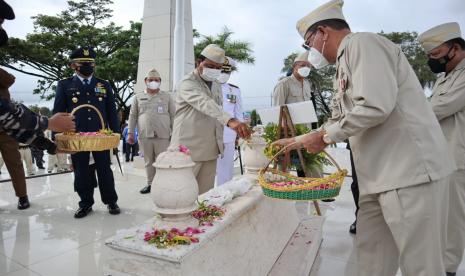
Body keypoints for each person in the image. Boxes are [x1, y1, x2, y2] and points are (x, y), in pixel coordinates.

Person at [274, 0, 455, 275]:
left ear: (323, 32)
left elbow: (374, 106)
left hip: (407, 172)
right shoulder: (344, 64)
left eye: (308, 42)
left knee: (421, 265)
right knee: (372, 257)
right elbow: (338, 117)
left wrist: (323, 138)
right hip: (377, 176)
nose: (309, 50)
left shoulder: (363, 45)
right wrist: (301, 140)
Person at [170, 44, 251, 194]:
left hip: (210, 148)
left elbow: (217, 113)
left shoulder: (216, 85)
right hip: (188, 148)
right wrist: (231, 121)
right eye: (209, 65)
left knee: (204, 194)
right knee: (181, 193)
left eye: (217, 67)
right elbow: (205, 103)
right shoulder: (187, 82)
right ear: (198, 62)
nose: (213, 70)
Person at [419, 22, 465, 276]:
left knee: (453, 218)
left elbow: (436, 110)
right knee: (439, 214)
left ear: (455, 48)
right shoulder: (445, 75)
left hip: (459, 157)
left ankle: (447, 269)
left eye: (434, 54)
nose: (431, 60)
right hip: (441, 156)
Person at [53, 46, 120, 219]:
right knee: (81, 171)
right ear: (73, 65)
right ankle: (85, 203)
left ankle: (111, 201)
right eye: (83, 63)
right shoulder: (65, 85)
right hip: (76, 138)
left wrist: (116, 135)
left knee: (105, 170)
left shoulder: (103, 84)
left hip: (101, 137)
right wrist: (58, 137)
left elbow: (111, 112)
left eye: (90, 63)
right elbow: (58, 112)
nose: (88, 66)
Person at [128, 68, 175, 194]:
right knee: (149, 161)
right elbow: (132, 116)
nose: (153, 82)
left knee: (163, 161)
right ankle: (151, 184)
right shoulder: (138, 97)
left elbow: (173, 116)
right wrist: (130, 133)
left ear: (160, 81)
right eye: (151, 80)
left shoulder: (167, 96)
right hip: (145, 135)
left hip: (163, 135)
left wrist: (175, 134)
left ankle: (164, 185)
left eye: (156, 80)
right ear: (145, 81)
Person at [216, 57, 244, 186]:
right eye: (222, 71)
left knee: (227, 169)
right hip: (209, 134)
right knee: (208, 170)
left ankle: (225, 193)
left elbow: (238, 113)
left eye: (227, 72)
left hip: (229, 134)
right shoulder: (206, 88)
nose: (224, 75)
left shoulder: (235, 90)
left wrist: (240, 132)